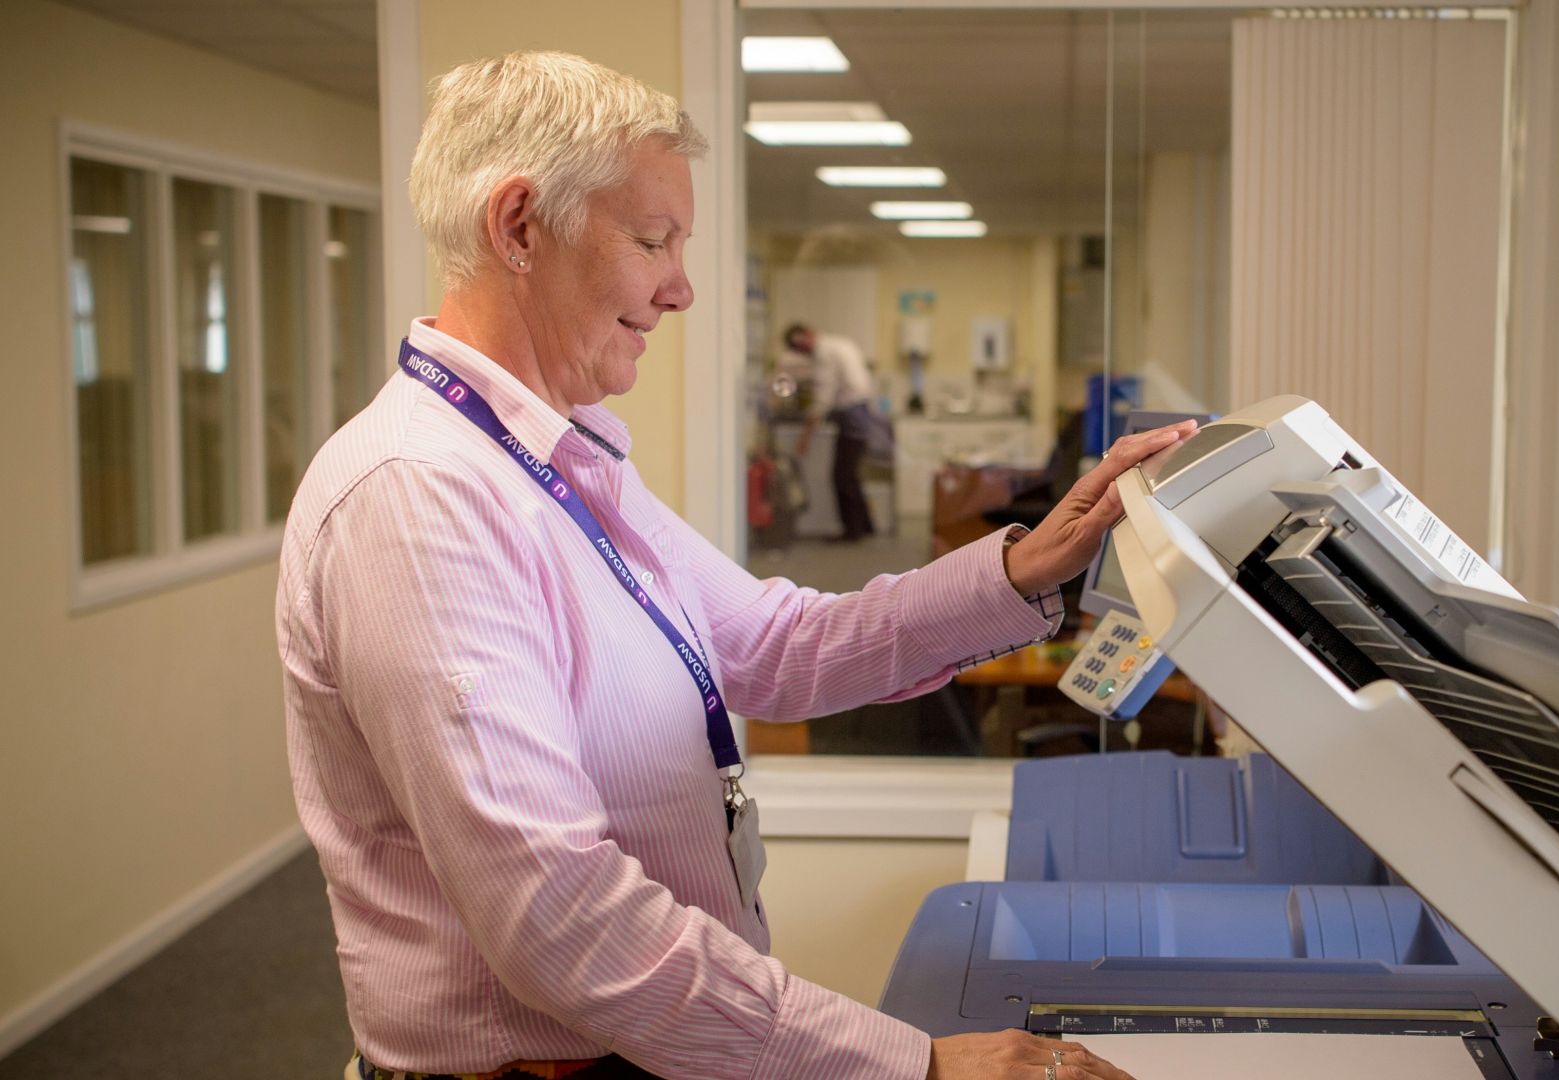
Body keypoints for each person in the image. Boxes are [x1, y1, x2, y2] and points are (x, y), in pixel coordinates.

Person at [276, 52, 1196, 1080]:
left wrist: (1025, 567)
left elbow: (773, 644)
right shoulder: (420, 496)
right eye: (653, 239)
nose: (683, 288)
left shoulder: (559, 454)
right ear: (519, 226)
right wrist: (915, 1067)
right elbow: (561, 919)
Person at [785, 322, 879, 541]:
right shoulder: (840, 343)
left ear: (806, 336)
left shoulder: (824, 353)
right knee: (851, 474)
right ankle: (865, 526)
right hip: (862, 409)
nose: (802, 352)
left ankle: (853, 531)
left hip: (852, 413)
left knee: (842, 475)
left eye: (800, 347)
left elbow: (823, 396)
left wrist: (806, 435)